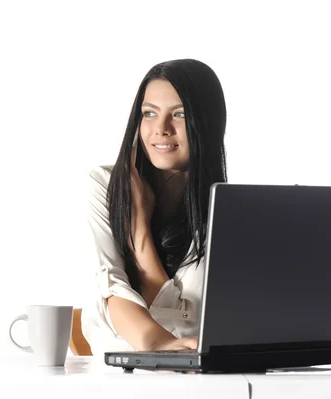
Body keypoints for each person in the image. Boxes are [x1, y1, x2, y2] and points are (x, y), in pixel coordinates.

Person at [81, 59, 228, 355]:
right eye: (149, 113)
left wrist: (139, 235)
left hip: (200, 376)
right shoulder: (105, 184)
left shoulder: (226, 208)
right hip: (117, 373)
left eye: (180, 114)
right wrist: (158, 342)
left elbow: (193, 326)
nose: (160, 129)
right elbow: (110, 287)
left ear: (208, 123)